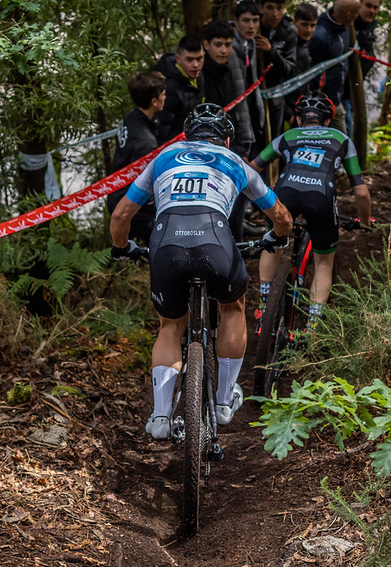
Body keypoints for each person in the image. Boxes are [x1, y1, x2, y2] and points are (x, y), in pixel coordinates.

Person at [110, 103, 293, 440]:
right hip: (216, 242)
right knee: (232, 308)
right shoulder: (236, 162)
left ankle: (160, 417)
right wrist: (274, 239)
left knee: (170, 326)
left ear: (186, 136)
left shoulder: (164, 157)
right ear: (226, 140)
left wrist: (121, 248)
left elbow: (122, 215)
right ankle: (224, 403)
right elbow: (281, 216)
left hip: (166, 244)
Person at [249, 93, 372, 332]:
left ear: (297, 119)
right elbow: (362, 193)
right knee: (324, 263)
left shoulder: (287, 136)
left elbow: (252, 169)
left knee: (272, 243)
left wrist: (258, 199)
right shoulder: (341, 138)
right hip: (320, 198)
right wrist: (365, 221)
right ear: (327, 122)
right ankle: (313, 327)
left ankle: (264, 304)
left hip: (284, 195)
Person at [106, 72, 166, 244]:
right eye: (163, 94)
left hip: (116, 193)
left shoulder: (130, 117)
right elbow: (144, 185)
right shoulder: (146, 143)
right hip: (129, 206)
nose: (165, 96)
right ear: (154, 101)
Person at [202, 20, 254, 158]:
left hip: (230, 142)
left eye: (228, 45)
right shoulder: (199, 74)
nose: (223, 50)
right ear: (206, 45)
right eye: (218, 45)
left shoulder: (230, 69)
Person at [308, 0, 361, 134]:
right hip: (320, 103)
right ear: (348, 14)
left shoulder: (346, 26)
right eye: (355, 13)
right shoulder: (320, 36)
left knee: (343, 141)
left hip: (337, 100)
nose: (357, 16)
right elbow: (310, 73)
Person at [256, 0, 298, 139]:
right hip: (252, 97)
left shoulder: (289, 31)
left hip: (277, 98)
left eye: (278, 8)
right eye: (269, 7)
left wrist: (270, 51)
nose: (274, 14)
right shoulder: (254, 27)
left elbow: (289, 69)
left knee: (274, 139)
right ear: (260, 7)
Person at [153, 36, 205, 144]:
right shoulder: (168, 86)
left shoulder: (199, 77)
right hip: (174, 148)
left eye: (199, 59)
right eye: (189, 59)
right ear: (178, 58)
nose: (195, 65)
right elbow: (162, 129)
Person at [232, 1, 266, 156]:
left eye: (255, 20)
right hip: (236, 117)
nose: (251, 26)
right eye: (246, 21)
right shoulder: (228, 46)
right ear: (236, 21)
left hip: (252, 109)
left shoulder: (251, 42)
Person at [342, 0, 379, 138]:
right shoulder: (346, 25)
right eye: (368, 6)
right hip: (336, 90)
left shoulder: (370, 27)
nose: (372, 11)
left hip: (351, 93)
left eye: (375, 8)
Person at [284, 3, 318, 126]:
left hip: (302, 108)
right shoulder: (288, 46)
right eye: (304, 24)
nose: (308, 30)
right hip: (287, 111)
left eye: (312, 25)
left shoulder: (309, 45)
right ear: (294, 22)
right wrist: (288, 115)